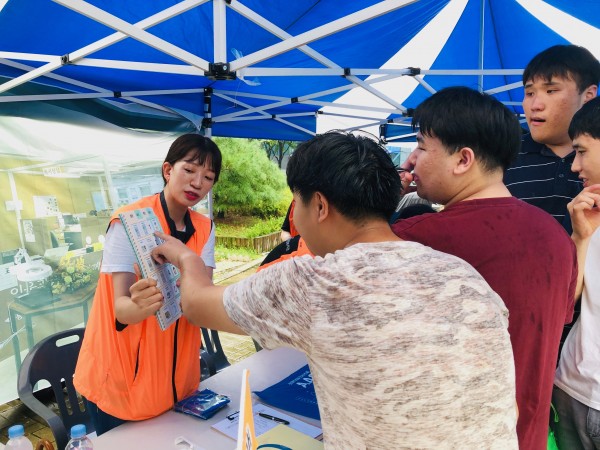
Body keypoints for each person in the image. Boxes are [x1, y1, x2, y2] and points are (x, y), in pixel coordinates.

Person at [152, 131, 519, 449]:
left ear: (320, 206)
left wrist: (187, 259)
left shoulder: (313, 283)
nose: (294, 216)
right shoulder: (464, 274)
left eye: (296, 202)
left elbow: (197, 305)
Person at [391, 86, 577, 450]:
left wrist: (382, 205)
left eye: (422, 147)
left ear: (463, 160)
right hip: (527, 436)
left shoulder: (417, 238)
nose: (412, 160)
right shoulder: (556, 236)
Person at [73, 134, 222, 434]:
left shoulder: (205, 229)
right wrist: (139, 306)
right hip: (123, 385)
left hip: (179, 384)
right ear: (168, 170)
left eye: (208, 177)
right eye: (189, 170)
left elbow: (201, 300)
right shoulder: (127, 222)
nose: (197, 183)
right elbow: (120, 310)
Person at [504, 45, 600, 230]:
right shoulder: (504, 155)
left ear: (588, 95)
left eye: (551, 91)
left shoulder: (594, 162)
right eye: (529, 93)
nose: (535, 105)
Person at [553, 96, 600, 450]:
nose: (574, 167)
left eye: (582, 151)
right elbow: (566, 305)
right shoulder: (588, 216)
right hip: (573, 388)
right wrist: (580, 238)